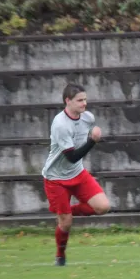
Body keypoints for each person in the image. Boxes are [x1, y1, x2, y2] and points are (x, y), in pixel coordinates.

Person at [42, 83, 111, 266]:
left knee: (103, 207)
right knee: (65, 225)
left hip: (78, 173)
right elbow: (72, 156)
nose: (84, 104)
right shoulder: (60, 125)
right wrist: (92, 141)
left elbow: (76, 158)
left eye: (85, 99)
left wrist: (90, 138)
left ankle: (65, 214)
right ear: (68, 101)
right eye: (79, 100)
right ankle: (60, 255)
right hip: (56, 179)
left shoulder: (87, 117)